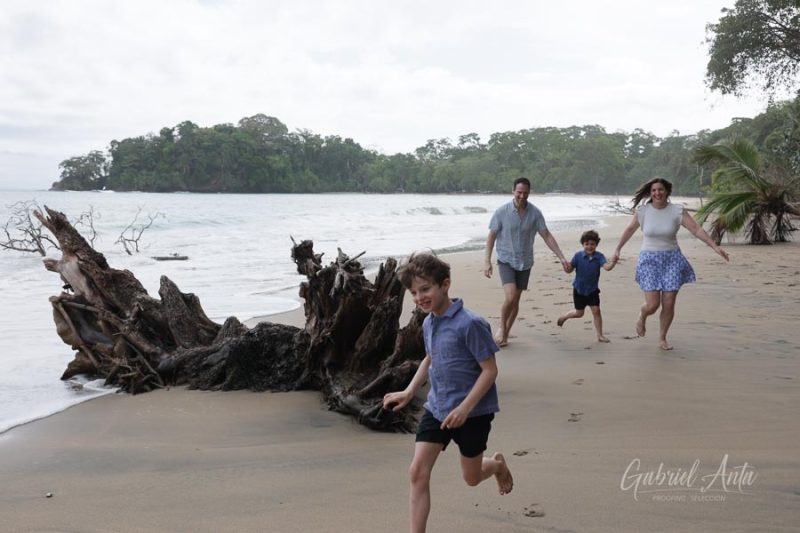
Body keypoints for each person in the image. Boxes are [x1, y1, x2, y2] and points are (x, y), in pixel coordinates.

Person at [383, 252, 513, 533]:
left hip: (473, 413)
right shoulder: (429, 322)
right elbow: (430, 358)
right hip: (437, 408)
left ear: (445, 285)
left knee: (472, 477)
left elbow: (490, 370)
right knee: (417, 472)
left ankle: (497, 465)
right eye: (414, 292)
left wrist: (465, 408)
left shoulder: (471, 324)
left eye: (425, 288)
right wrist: (408, 392)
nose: (419, 297)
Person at [612, 177, 729, 350]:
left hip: (672, 260)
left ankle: (662, 338)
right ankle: (643, 315)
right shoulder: (643, 211)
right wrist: (617, 249)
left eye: (660, 190)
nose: (657, 193)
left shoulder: (677, 211)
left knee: (668, 303)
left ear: (667, 191)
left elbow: (696, 229)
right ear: (650, 193)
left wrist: (715, 247)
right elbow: (629, 229)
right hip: (649, 260)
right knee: (652, 305)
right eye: (653, 190)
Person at [484, 177, 570, 347]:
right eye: (519, 192)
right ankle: (501, 327)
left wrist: (561, 257)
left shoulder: (535, 213)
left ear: (529, 193)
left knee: (515, 301)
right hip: (506, 260)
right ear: (513, 191)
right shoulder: (501, 212)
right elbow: (491, 237)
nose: (522, 196)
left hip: (525, 262)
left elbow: (546, 235)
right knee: (509, 297)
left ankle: (506, 334)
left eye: (525, 193)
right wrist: (487, 261)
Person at [557, 230, 618, 342]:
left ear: (596, 245)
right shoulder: (578, 256)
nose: (589, 247)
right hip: (579, 289)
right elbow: (569, 270)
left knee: (596, 311)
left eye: (592, 244)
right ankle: (565, 316)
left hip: (593, 290)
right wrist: (565, 266)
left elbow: (607, 267)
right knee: (579, 313)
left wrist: (613, 262)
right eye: (587, 244)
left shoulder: (599, 257)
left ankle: (600, 335)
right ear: (583, 244)